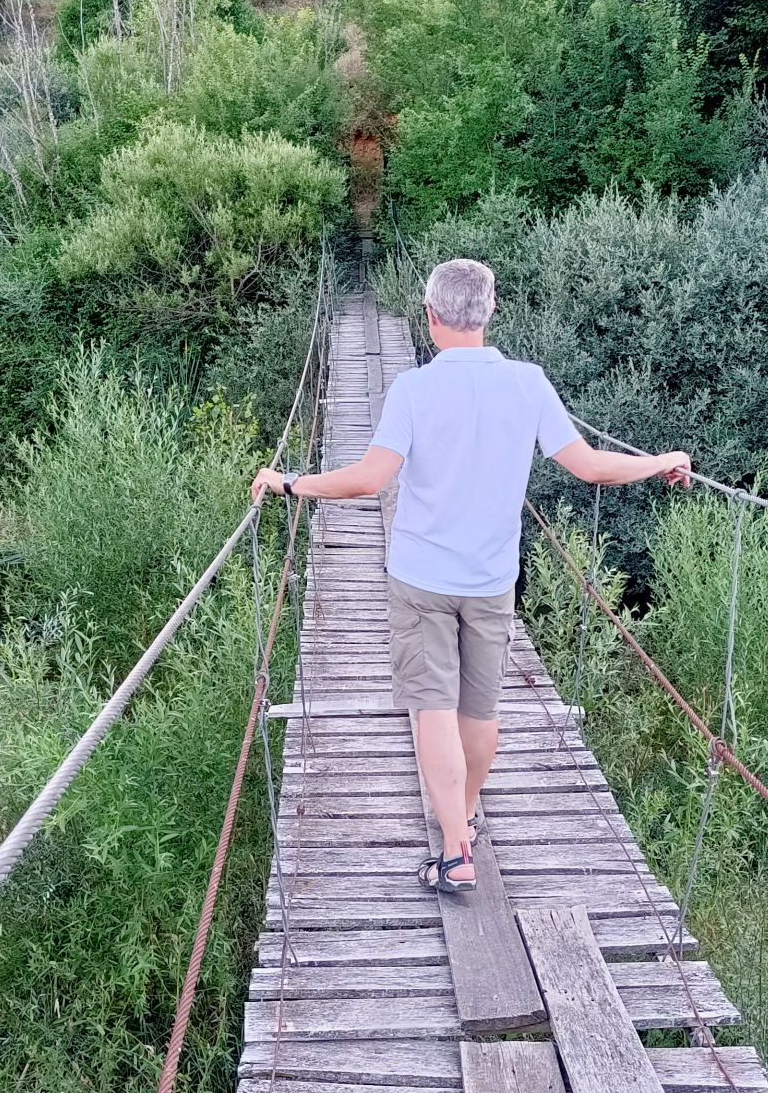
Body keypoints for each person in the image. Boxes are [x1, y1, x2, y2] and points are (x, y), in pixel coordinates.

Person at [251, 258, 690, 894]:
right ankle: (468, 814)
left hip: (421, 576)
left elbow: (371, 479)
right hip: (491, 578)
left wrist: (292, 482)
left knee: (433, 708)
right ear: (489, 312)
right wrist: (660, 462)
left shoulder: (411, 390)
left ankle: (455, 849)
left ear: (429, 319)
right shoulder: (529, 383)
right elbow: (591, 467)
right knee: (480, 710)